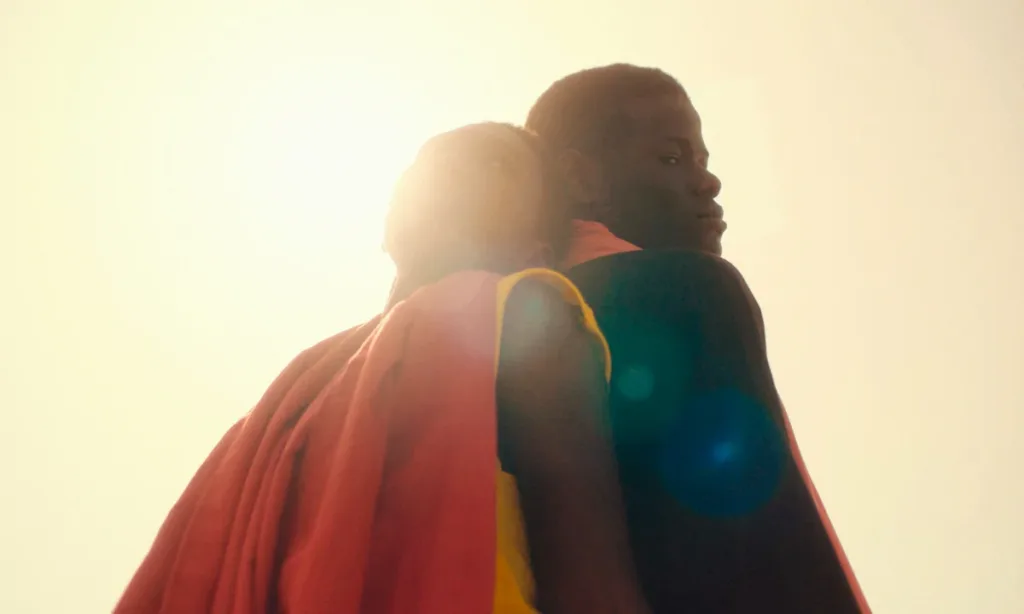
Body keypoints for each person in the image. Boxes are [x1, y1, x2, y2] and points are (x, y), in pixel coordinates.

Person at [113, 123, 649, 614]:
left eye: (494, 164)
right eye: (428, 163)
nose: (449, 170)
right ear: (391, 221)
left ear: (536, 250)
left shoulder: (528, 317)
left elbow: (593, 583)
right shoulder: (288, 399)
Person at [526, 64, 872, 613]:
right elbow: (753, 542)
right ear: (579, 179)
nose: (708, 183)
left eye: (703, 161)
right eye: (671, 158)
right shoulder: (684, 289)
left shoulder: (509, 320)